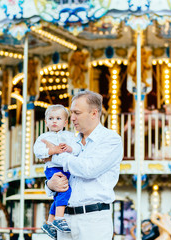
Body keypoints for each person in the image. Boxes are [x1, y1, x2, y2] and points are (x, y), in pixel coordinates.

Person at [43, 90, 123, 240]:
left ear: (93, 113)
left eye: (77, 113)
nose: (72, 118)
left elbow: (89, 169)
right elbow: (54, 173)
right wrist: (50, 185)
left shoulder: (110, 139)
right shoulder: (70, 142)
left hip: (93, 219)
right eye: (71, 113)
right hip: (65, 219)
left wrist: (56, 154)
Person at [34, 104, 81, 239]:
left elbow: (77, 149)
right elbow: (38, 151)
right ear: (46, 122)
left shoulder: (70, 136)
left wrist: (70, 149)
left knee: (60, 194)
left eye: (58, 118)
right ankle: (59, 219)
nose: (54, 121)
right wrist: (52, 150)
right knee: (65, 190)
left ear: (65, 122)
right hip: (52, 168)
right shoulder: (44, 137)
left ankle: (49, 222)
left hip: (66, 168)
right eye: (51, 118)